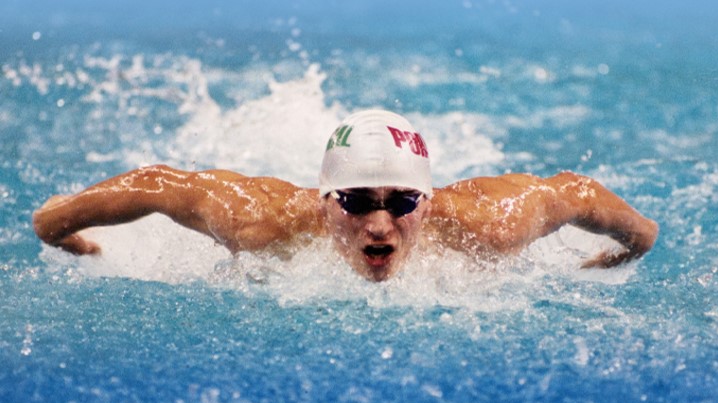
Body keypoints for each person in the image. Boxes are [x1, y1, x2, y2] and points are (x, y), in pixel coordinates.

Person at [32, 109, 658, 282]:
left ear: (430, 202)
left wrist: (619, 255)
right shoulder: (263, 222)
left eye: (402, 202)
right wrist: (60, 232)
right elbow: (158, 184)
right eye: (357, 202)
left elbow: (580, 195)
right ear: (325, 200)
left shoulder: (490, 224)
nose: (380, 224)